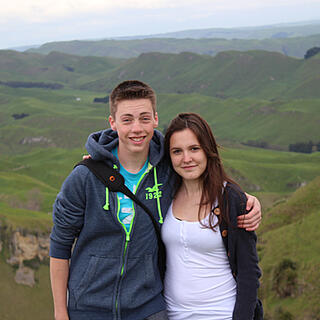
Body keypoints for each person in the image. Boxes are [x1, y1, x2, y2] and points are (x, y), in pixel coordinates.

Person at [49, 80, 262, 320]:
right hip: (88, 308)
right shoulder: (85, 177)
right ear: (113, 123)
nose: (136, 128)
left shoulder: (167, 170)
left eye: (144, 118)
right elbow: (60, 245)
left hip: (149, 308)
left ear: (156, 119)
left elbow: (199, 175)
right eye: (127, 119)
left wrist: (245, 200)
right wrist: (60, 312)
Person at [162, 112, 262, 320]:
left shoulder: (231, 200)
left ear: (208, 150)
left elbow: (249, 274)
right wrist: (99, 157)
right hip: (171, 314)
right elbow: (134, 146)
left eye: (194, 149)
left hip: (221, 313)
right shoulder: (163, 195)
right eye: (177, 151)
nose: (186, 158)